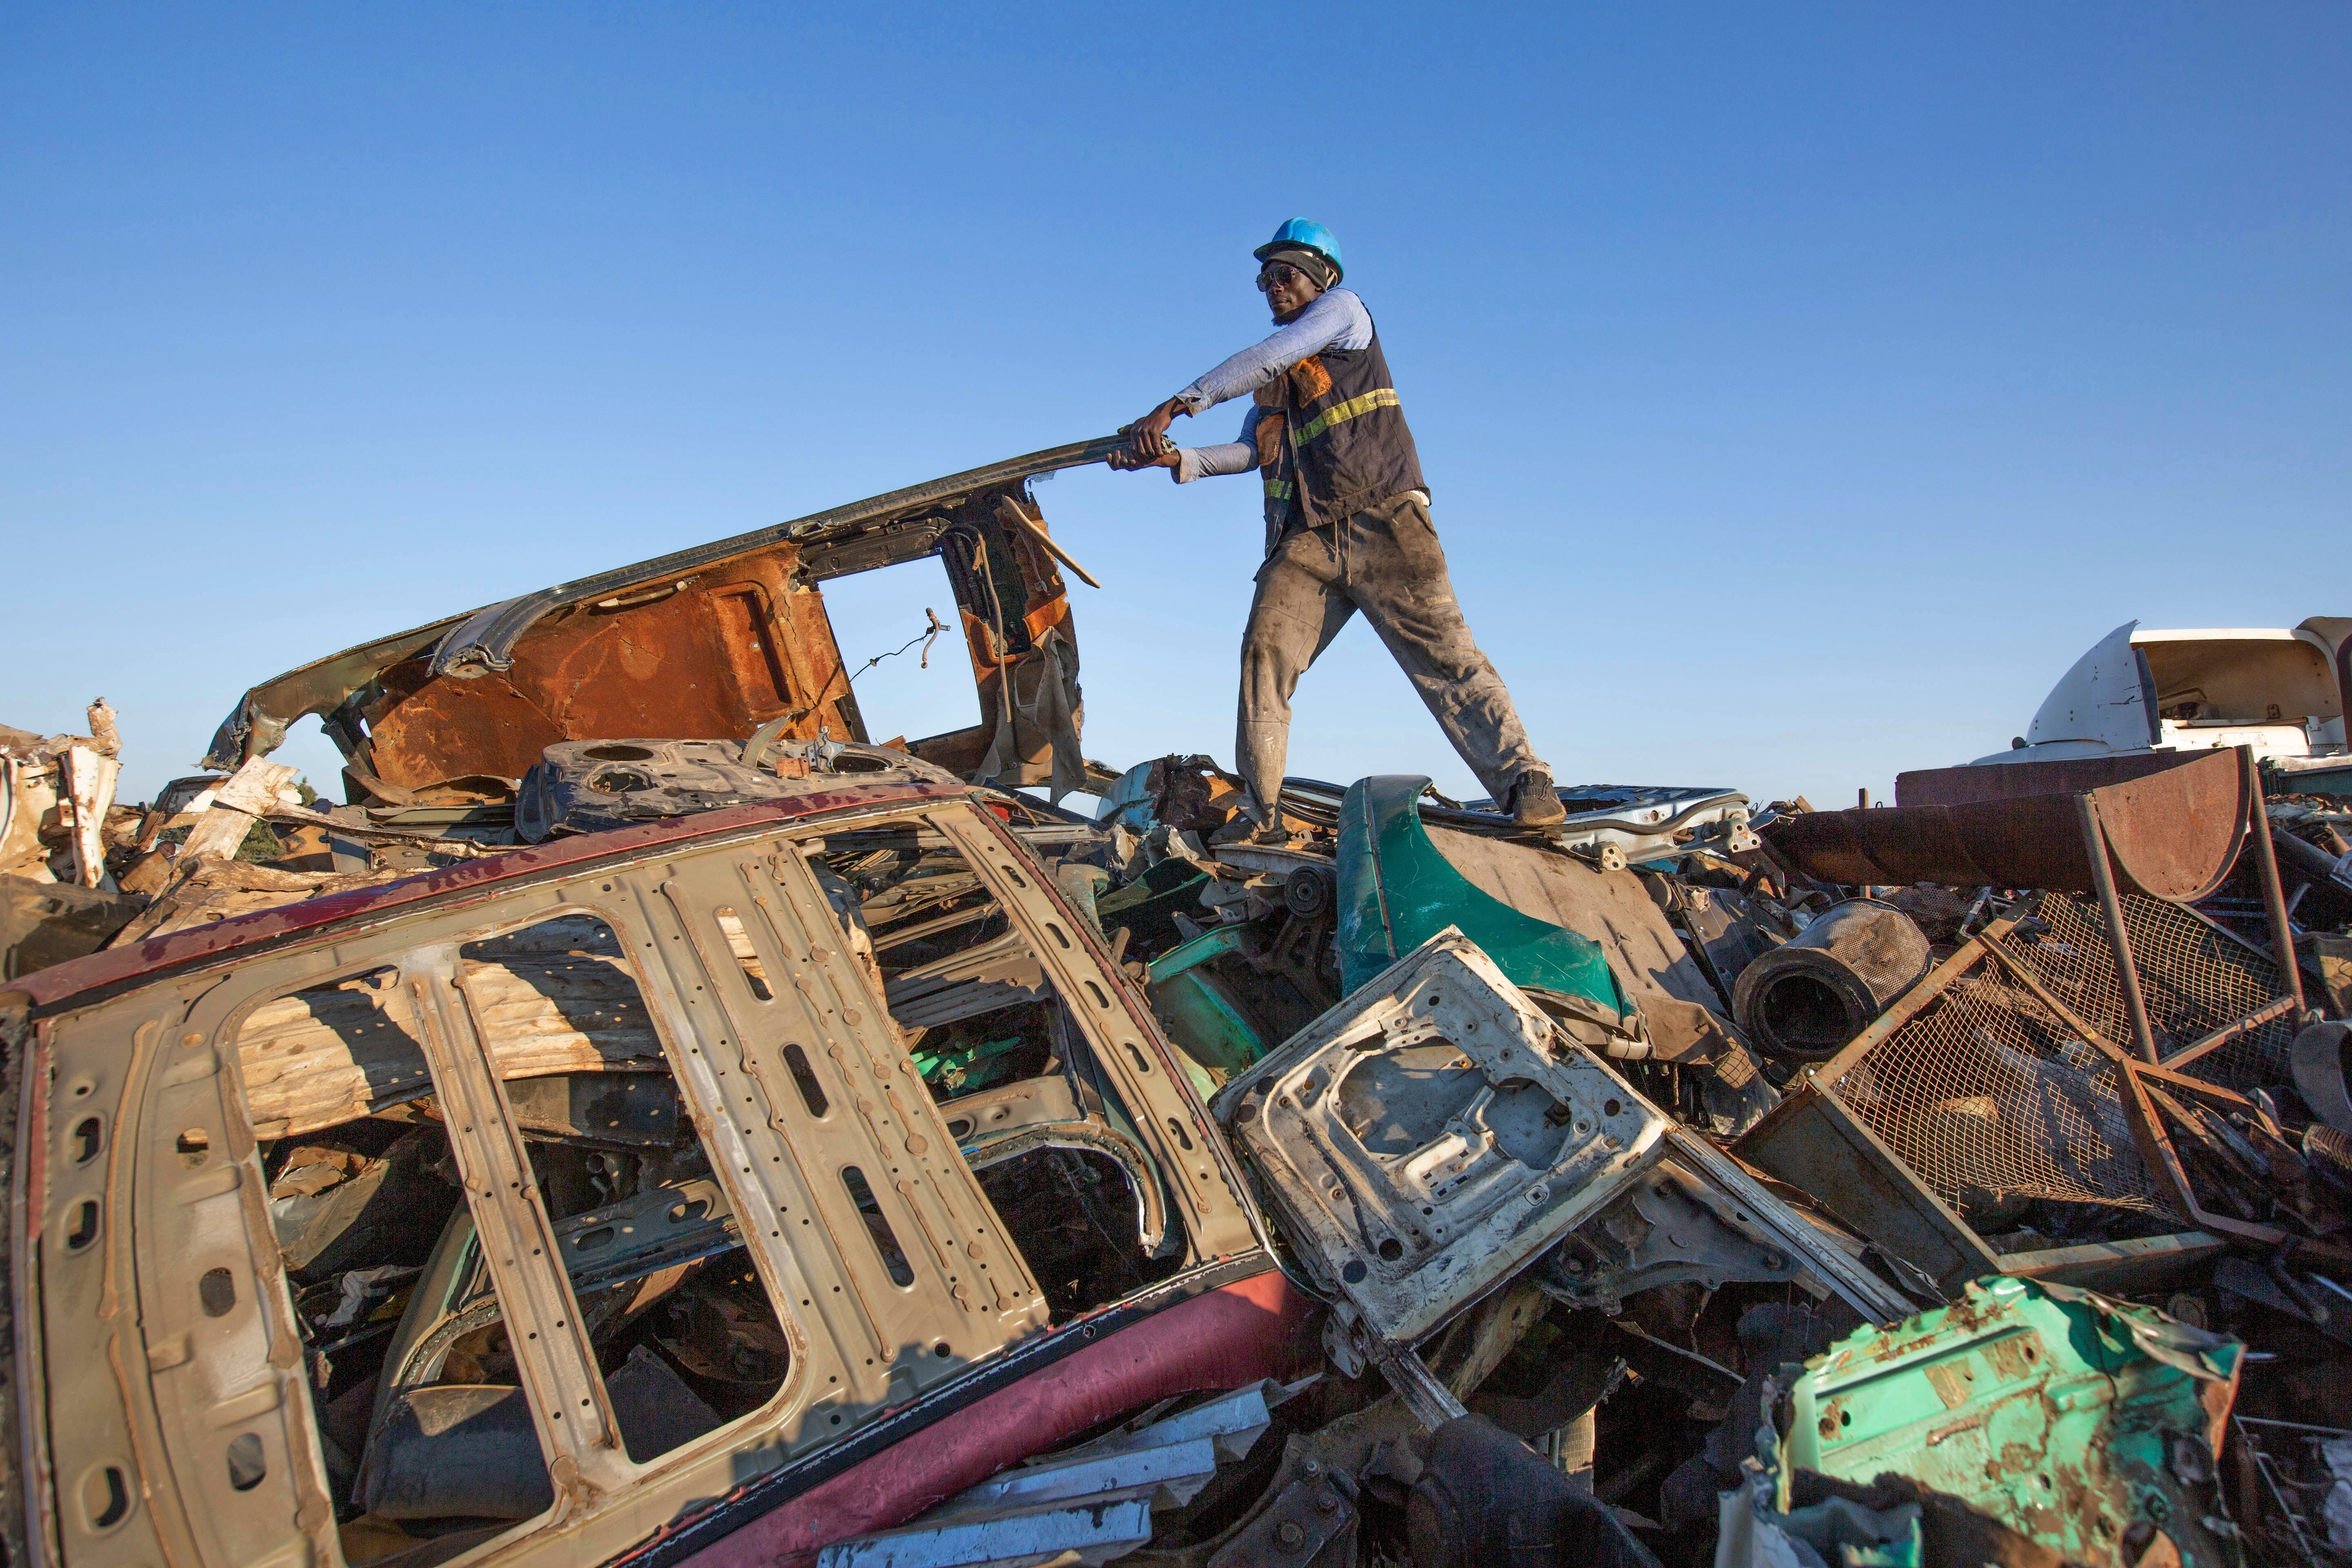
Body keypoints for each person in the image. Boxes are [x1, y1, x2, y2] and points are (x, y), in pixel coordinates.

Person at [1110, 218, 1567, 839]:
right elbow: (1250, 454)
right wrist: (1176, 458)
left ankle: (1526, 785)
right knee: (1263, 658)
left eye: (1284, 274)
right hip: (1306, 542)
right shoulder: (1276, 393)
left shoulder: (1345, 312)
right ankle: (1261, 815)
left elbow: (1270, 353)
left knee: (1445, 658)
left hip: (1385, 521)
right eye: (1264, 280)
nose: (1272, 287)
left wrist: (1178, 403)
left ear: (1320, 275)